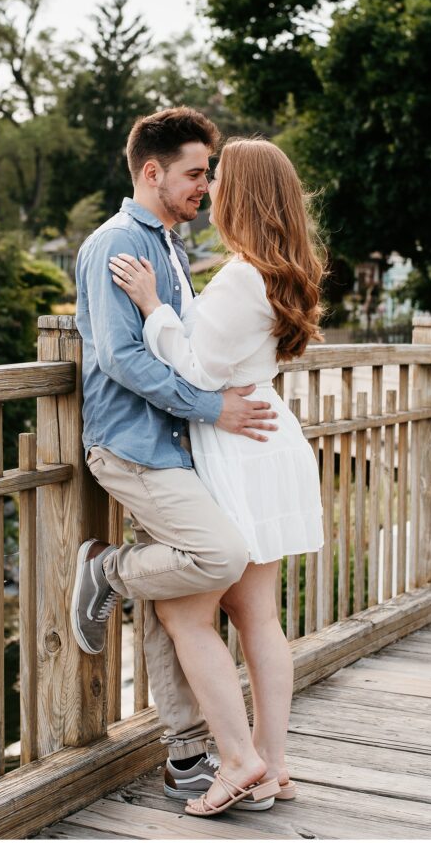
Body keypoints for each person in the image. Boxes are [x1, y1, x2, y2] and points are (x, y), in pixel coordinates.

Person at [106, 137, 326, 817]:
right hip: (264, 436)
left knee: (186, 610)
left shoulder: (241, 275)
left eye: (221, 178)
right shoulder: (281, 270)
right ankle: (273, 767)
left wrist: (152, 308)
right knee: (256, 615)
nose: (212, 187)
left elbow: (196, 370)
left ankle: (238, 761)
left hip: (239, 447)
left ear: (244, 194)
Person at [71, 108, 282, 813]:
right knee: (217, 557)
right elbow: (120, 358)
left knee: (182, 600)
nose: (205, 186)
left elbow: (186, 344)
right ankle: (106, 568)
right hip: (130, 446)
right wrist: (213, 407)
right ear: (151, 171)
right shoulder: (114, 246)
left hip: (175, 447)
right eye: (195, 173)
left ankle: (189, 754)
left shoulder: (169, 246)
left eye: (208, 174)